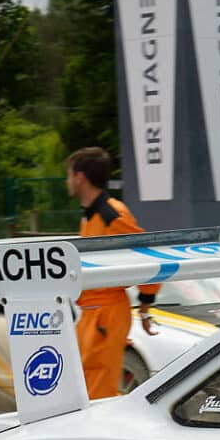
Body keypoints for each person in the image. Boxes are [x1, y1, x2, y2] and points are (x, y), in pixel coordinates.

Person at [65, 147, 158, 399]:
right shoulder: (91, 217)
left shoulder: (111, 214)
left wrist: (146, 303)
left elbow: (147, 253)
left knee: (99, 392)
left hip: (105, 312)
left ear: (80, 177)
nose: (67, 181)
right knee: (87, 389)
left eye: (69, 175)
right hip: (91, 313)